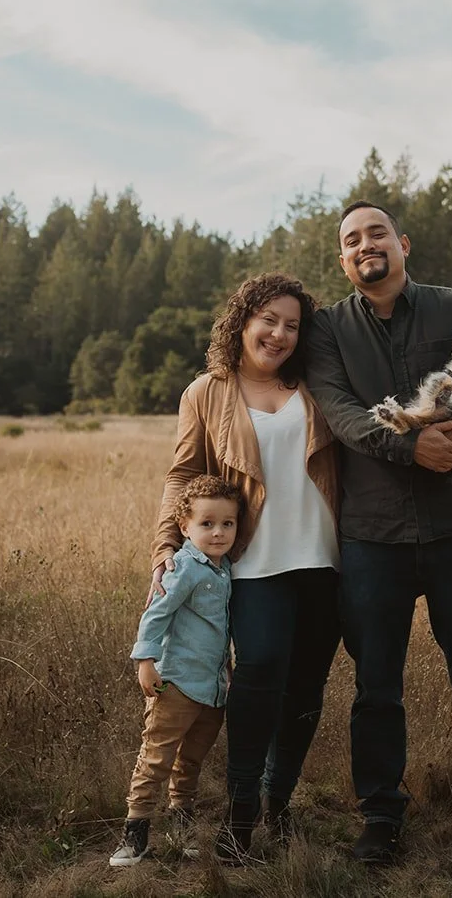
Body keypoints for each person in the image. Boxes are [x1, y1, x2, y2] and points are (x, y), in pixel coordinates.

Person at [305, 200, 452, 868]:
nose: (364, 245)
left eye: (376, 232)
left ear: (402, 243)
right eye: (351, 240)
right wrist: (412, 450)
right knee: (376, 686)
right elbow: (344, 414)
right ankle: (380, 819)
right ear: (342, 259)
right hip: (371, 537)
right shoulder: (327, 330)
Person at [148, 272, 342, 863]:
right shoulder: (207, 392)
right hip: (253, 563)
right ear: (243, 322)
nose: (279, 334)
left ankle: (278, 805)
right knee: (257, 679)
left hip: (325, 560)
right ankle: (239, 822)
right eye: (269, 321)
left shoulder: (317, 383)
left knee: (307, 687)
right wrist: (164, 545)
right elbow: (183, 474)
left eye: (291, 325)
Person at [111, 474, 242, 868]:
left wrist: (229, 671)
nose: (218, 533)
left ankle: (181, 827)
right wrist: (146, 661)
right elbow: (156, 614)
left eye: (227, 524)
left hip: (213, 688)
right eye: (207, 524)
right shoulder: (183, 567)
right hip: (177, 683)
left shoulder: (226, 569)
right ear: (184, 527)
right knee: (156, 758)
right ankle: (134, 835)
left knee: (191, 762)